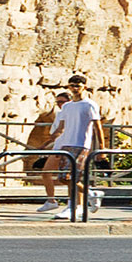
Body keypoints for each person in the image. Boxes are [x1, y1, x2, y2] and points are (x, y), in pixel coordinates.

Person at [43, 76, 104, 221]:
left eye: (77, 85)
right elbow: (61, 126)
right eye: (71, 86)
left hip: (81, 144)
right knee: (64, 178)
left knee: (71, 177)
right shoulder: (67, 106)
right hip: (66, 144)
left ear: (84, 86)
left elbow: (98, 127)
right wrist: (53, 137)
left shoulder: (89, 105)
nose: (74, 88)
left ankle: (75, 207)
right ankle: (90, 195)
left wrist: (101, 147)